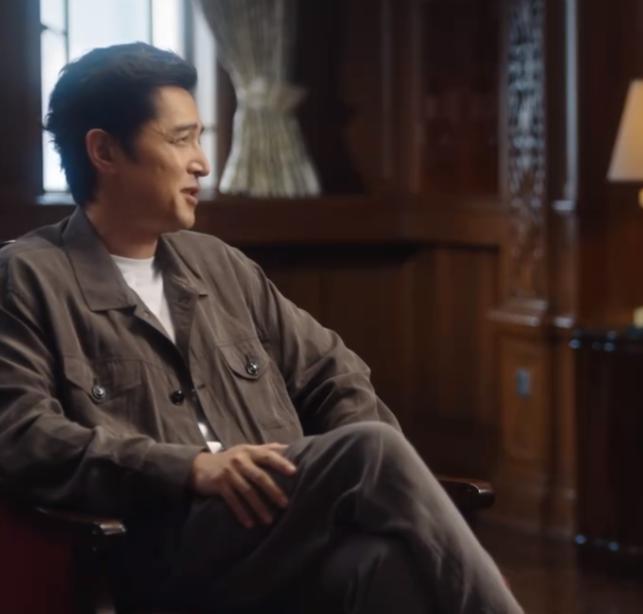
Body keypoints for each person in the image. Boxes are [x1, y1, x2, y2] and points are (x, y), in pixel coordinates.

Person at [0, 42, 523, 613]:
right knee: (370, 451)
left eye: (200, 138)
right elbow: (24, 437)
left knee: (382, 561)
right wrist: (190, 468)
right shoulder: (27, 277)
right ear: (104, 150)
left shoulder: (219, 265)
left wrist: (359, 497)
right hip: (157, 547)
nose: (202, 163)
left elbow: (335, 375)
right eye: (180, 140)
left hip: (279, 529)